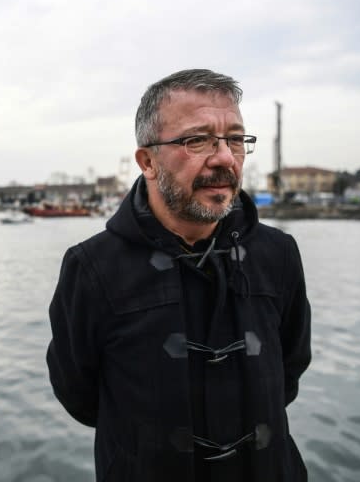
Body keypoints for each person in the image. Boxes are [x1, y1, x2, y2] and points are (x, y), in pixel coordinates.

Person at [46, 69, 311, 481]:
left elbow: (291, 368)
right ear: (148, 161)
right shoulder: (93, 268)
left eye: (236, 139)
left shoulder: (278, 254)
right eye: (197, 140)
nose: (224, 157)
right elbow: (78, 393)